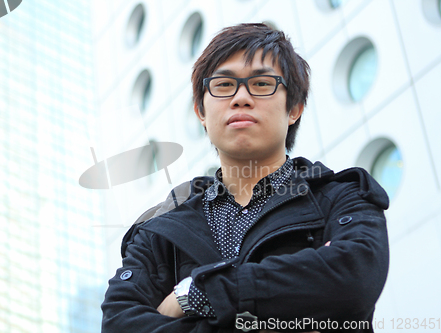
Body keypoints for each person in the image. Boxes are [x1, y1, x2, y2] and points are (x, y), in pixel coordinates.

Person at [101, 23, 389, 333]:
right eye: (224, 85)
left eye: (262, 84)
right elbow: (119, 323)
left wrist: (196, 293)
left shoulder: (340, 197)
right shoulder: (162, 229)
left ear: (294, 109)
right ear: (201, 111)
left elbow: (354, 277)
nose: (241, 98)